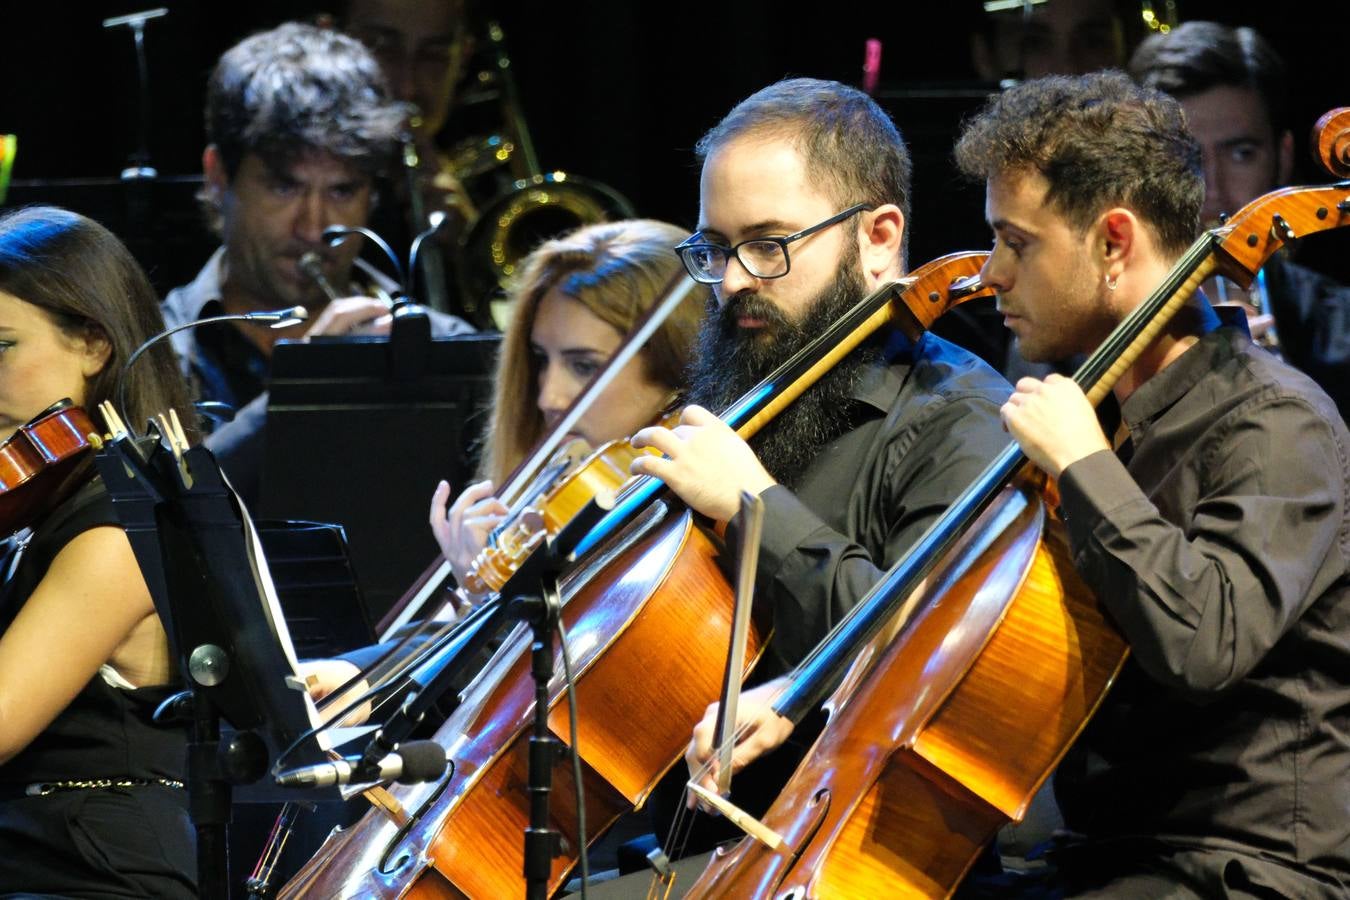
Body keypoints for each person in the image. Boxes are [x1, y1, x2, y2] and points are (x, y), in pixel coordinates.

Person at [583, 78, 1010, 879]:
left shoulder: (963, 419)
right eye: (715, 248)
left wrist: (757, 509)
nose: (737, 279)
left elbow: (929, 661)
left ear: (880, 236)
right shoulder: (744, 388)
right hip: (697, 849)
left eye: (770, 245)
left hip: (863, 862)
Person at [953, 71, 1349, 896]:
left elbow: (1205, 643)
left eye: (1016, 242)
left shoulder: (1278, 423)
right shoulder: (1102, 413)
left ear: (1114, 242)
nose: (990, 272)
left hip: (1241, 870)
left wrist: (1086, 466)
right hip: (1105, 855)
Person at [0, 206, 362, 897]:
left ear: (94, 344)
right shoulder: (40, 513)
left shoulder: (116, 531)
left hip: (86, 871)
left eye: (0, 348)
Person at [162, 22, 475, 507]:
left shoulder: (446, 346)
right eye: (284, 187)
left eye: (342, 191)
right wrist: (306, 386)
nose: (313, 228)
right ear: (219, 178)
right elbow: (165, 517)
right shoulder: (155, 349)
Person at [428, 218, 701, 597]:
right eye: (541, 359)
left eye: (584, 366)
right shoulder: (555, 500)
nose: (547, 398)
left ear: (676, 367)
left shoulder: (699, 531)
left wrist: (496, 604)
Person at [1129, 20, 1350, 420]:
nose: (1212, 190)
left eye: (1241, 153)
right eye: (1185, 158)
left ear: (1282, 158)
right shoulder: (1084, 331)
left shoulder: (1341, 326)